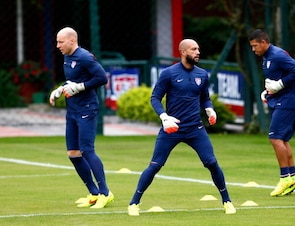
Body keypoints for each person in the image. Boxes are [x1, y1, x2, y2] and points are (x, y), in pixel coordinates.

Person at [127, 39, 236, 216]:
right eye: (194, 49)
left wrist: (210, 110)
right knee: (155, 165)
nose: (198, 52)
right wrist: (164, 118)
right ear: (183, 52)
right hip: (172, 129)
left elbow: (204, 97)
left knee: (211, 162)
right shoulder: (168, 74)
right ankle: (134, 203)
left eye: (198, 49)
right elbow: (155, 98)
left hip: (195, 129)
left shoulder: (202, 74)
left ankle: (227, 201)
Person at [49, 27, 113, 208]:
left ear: (71, 40)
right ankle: (93, 193)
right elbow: (72, 80)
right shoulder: (67, 57)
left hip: (87, 109)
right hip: (72, 111)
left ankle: (105, 193)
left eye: (60, 42)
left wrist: (80, 87)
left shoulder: (84, 57)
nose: (57, 46)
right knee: (73, 153)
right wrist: (60, 89)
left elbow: (101, 78)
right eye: (57, 41)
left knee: (87, 150)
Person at [248, 29, 295, 196]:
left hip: (286, 103)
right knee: (283, 139)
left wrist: (280, 84)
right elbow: (276, 77)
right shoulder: (267, 57)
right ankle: (293, 176)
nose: (253, 50)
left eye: (255, 46)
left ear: (264, 42)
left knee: (275, 138)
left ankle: (284, 178)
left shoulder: (277, 55)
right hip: (280, 101)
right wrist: (269, 92)